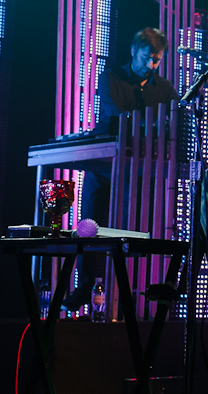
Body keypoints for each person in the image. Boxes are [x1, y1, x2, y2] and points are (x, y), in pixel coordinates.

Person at [63, 27, 180, 311]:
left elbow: (178, 116)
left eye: (157, 60)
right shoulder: (112, 77)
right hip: (105, 166)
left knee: (130, 232)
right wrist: (148, 125)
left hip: (138, 171)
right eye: (148, 57)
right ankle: (84, 287)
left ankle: (127, 295)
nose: (151, 65)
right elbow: (112, 116)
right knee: (89, 227)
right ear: (133, 51)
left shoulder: (162, 87)